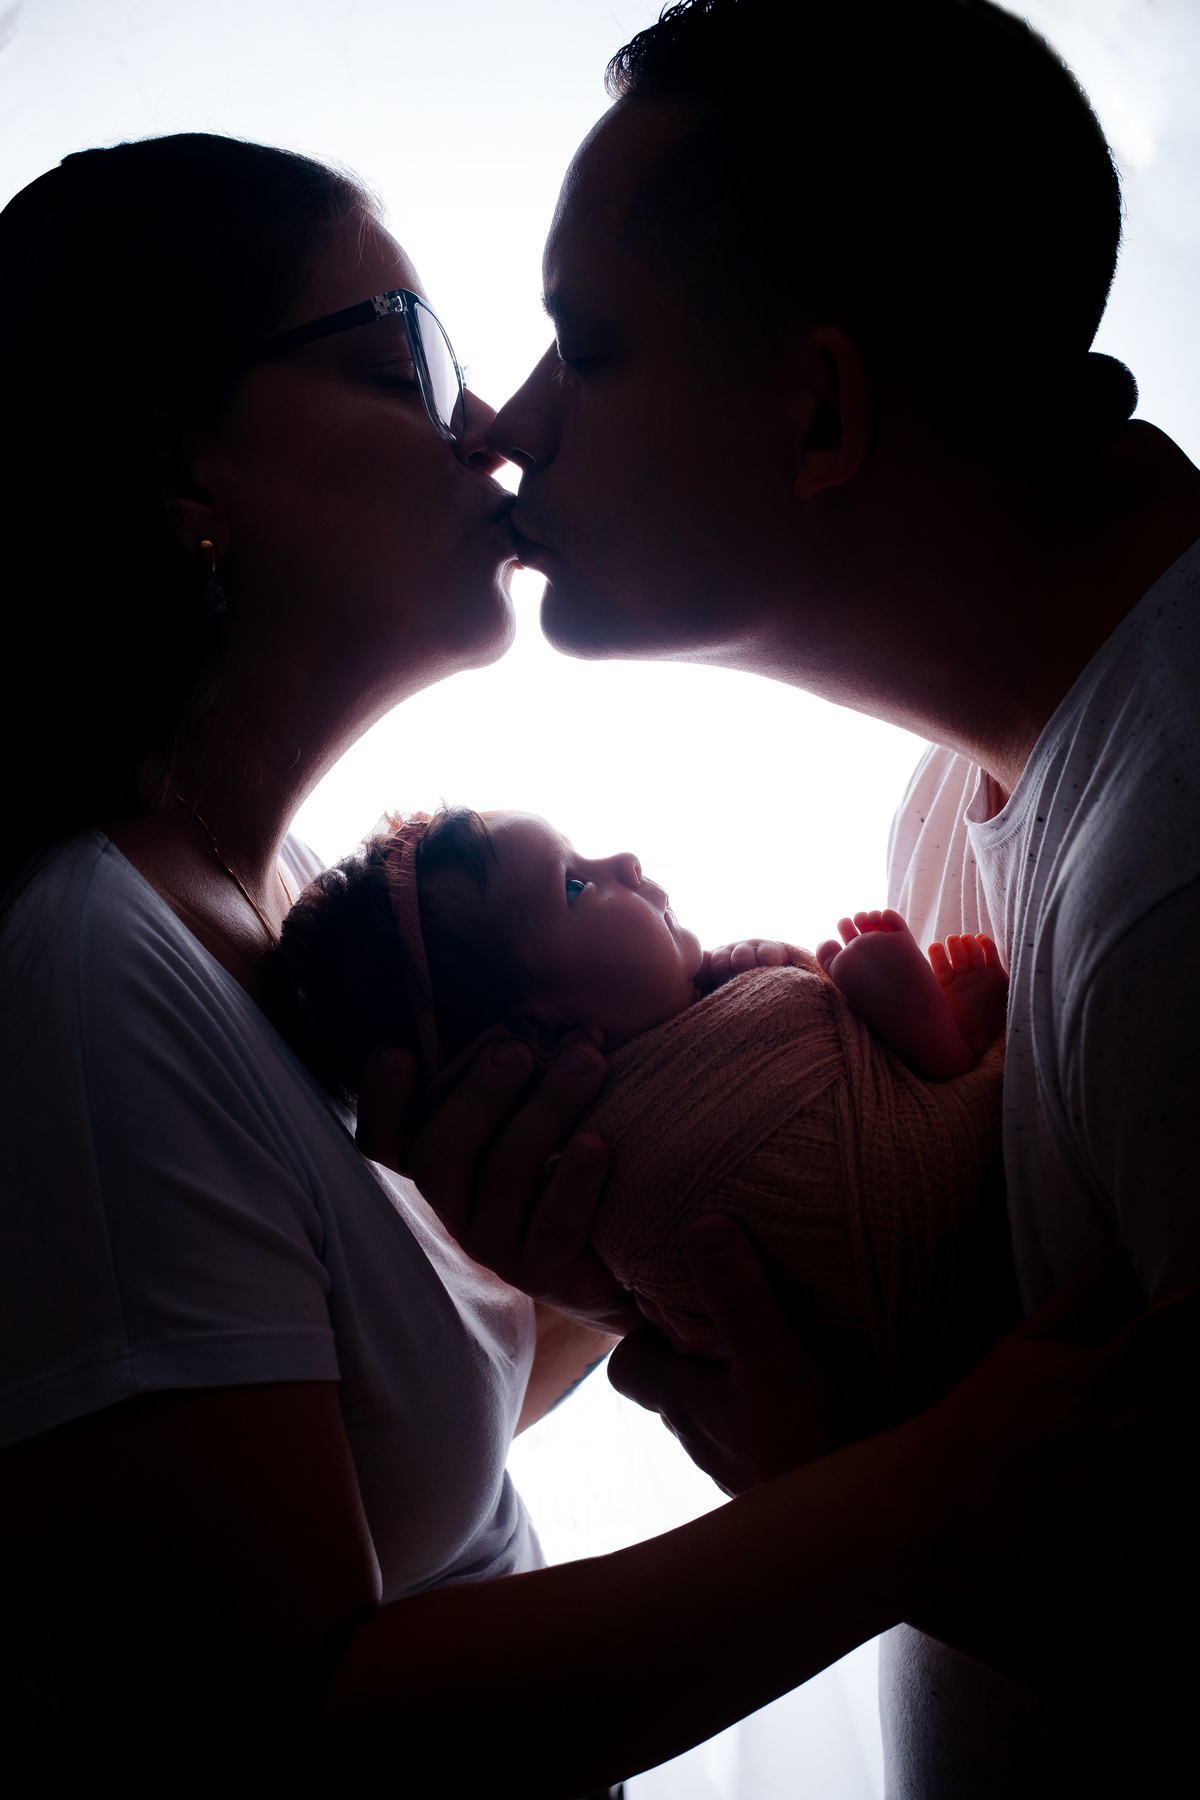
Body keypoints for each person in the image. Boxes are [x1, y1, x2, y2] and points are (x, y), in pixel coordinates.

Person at [0, 128, 1170, 1797]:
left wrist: (596, 1261)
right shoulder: (89, 971)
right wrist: (927, 1494)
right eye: (407, 359)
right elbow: (262, 1743)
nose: (487, 421)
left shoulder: (285, 919)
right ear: (187, 478)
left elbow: (378, 1475)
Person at [480, 0, 1200, 1790]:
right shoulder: (957, 803)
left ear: (817, 411)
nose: (509, 423)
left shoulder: (1179, 875)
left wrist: (844, 1512)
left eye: (586, 346)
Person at [269, 804, 1010, 1410]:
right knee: (868, 971)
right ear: (540, 1033)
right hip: (956, 1233)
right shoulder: (609, 1166)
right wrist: (804, 983)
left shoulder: (584, 1181)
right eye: (573, 886)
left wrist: (770, 974)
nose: (623, 863)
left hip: (919, 1381)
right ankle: (957, 1051)